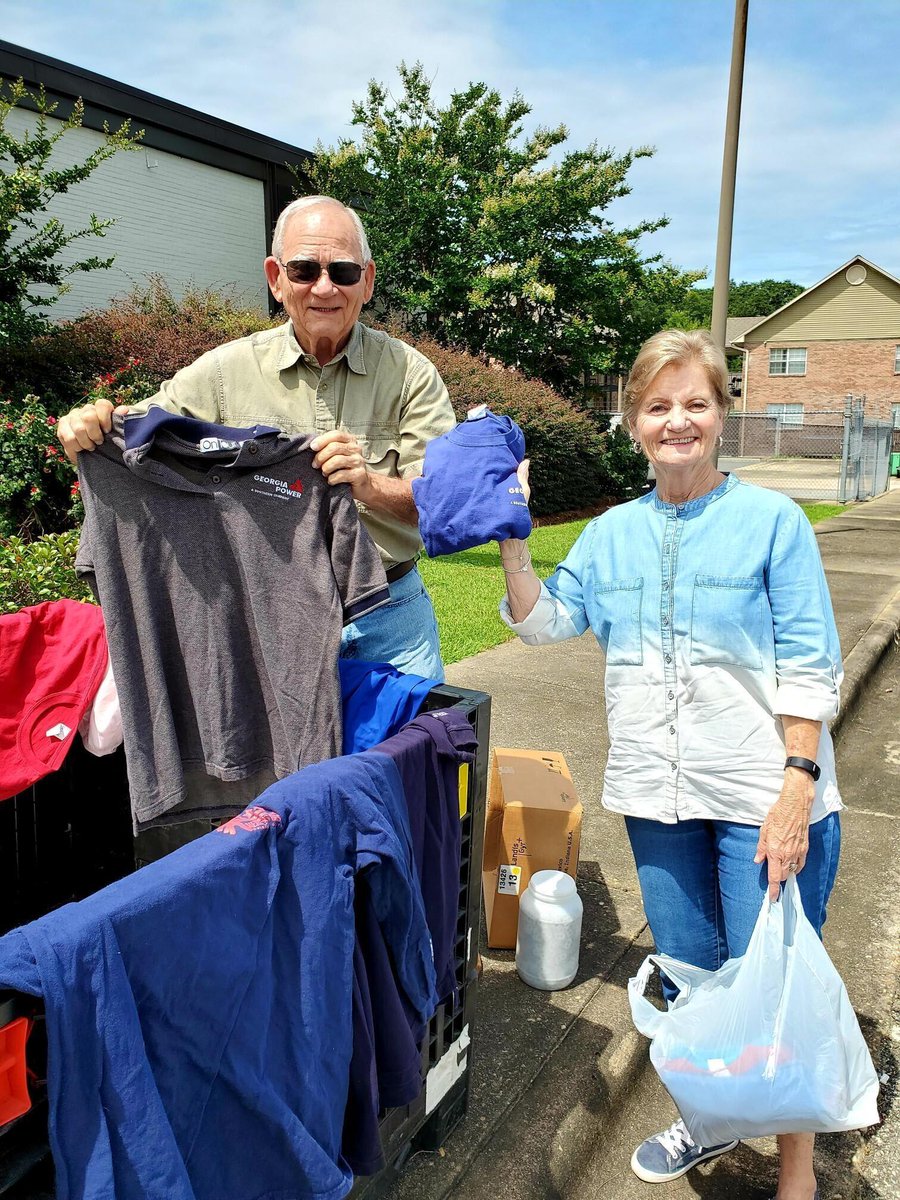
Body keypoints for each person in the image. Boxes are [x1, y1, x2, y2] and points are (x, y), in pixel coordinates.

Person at [498, 329, 840, 1200]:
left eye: (696, 403)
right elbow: (545, 622)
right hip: (658, 796)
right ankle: (711, 1120)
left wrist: (796, 789)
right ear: (633, 421)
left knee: (772, 984)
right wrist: (511, 535)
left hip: (763, 790)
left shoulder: (773, 522)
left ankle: (796, 1172)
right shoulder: (611, 533)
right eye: (658, 406)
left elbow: (808, 660)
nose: (677, 421)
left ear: (723, 416)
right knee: (690, 978)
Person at [57, 195, 456, 680]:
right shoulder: (225, 372)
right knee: (283, 758)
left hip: (391, 621)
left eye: (344, 272)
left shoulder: (411, 375)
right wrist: (91, 426)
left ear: (367, 281)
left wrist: (368, 483)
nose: (324, 287)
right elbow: (140, 435)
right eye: (305, 270)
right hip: (267, 621)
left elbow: (444, 501)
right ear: (276, 278)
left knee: (412, 750)